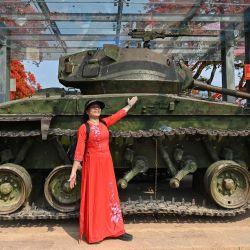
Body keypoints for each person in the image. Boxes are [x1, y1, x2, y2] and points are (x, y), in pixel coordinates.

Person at [69, 96, 138, 244]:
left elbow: (118, 115)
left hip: (106, 164)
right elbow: (79, 151)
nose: (97, 108)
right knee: (95, 196)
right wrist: (74, 171)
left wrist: (129, 105)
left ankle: (116, 229)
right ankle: (95, 233)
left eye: (98, 107)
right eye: (93, 107)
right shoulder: (84, 128)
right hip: (92, 165)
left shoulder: (104, 123)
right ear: (87, 111)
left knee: (109, 195)